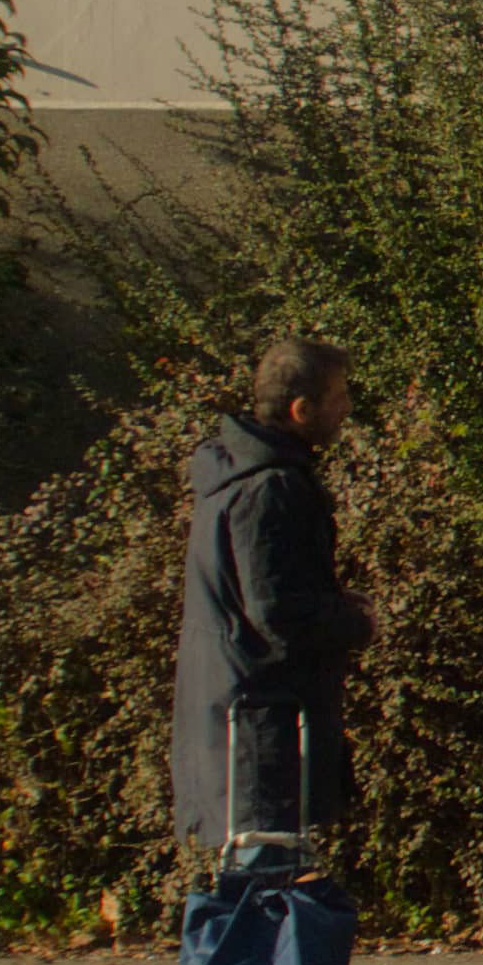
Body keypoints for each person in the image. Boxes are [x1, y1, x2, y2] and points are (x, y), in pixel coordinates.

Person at [172, 338, 374, 859]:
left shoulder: (237, 478)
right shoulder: (270, 489)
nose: (347, 407)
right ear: (301, 409)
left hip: (241, 726)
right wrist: (354, 620)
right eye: (338, 396)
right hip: (259, 735)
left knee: (258, 882)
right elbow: (278, 612)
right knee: (264, 882)